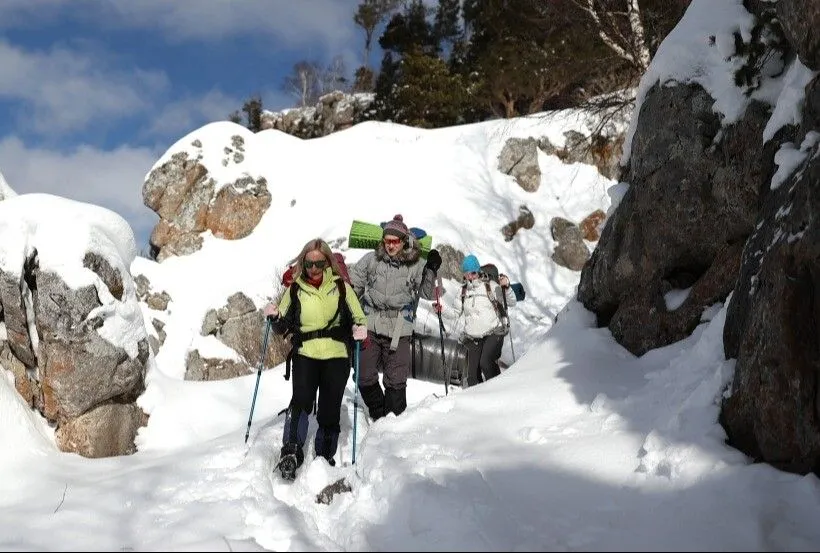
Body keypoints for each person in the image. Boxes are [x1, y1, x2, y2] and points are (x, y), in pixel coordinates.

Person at [263, 238, 368, 479]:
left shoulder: (342, 287)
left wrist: (359, 329)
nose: (313, 269)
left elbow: (359, 318)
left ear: (327, 263)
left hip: (336, 354)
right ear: (303, 263)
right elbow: (282, 325)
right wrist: (275, 316)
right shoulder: (295, 289)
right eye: (309, 263)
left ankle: (324, 456)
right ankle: (291, 451)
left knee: (330, 407)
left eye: (319, 264)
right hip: (305, 353)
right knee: (301, 401)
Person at [349, 214, 441, 420]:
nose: (390, 245)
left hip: (400, 327)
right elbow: (354, 285)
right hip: (371, 323)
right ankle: (379, 414)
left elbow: (427, 293)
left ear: (404, 241)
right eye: (387, 241)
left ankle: (394, 424)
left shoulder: (416, 264)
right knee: (363, 374)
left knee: (396, 380)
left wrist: (431, 269)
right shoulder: (372, 259)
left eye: (395, 241)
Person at [459, 254, 516, 387]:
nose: (470, 277)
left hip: (494, 332)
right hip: (474, 336)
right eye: (467, 274)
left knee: (486, 362)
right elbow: (454, 312)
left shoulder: (490, 286)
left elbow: (511, 302)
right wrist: (441, 310)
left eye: (473, 273)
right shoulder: (464, 290)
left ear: (478, 271)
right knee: (472, 377)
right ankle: (477, 397)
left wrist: (507, 287)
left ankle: (497, 389)